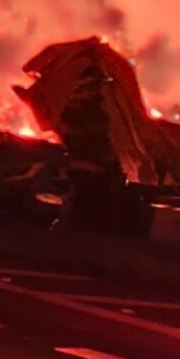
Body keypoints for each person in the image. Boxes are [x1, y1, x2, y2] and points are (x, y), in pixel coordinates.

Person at [58, 63, 130, 235]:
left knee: (91, 205)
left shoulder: (95, 108)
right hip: (86, 165)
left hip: (94, 166)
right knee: (86, 204)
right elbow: (71, 131)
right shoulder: (79, 109)